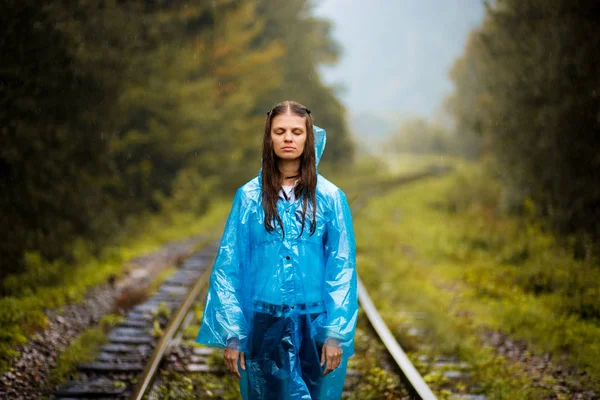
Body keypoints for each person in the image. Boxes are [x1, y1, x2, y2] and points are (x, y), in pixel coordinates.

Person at [195, 100, 358, 399]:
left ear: (308, 138)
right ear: (269, 137)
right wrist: (234, 333)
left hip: (314, 324)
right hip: (263, 323)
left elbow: (341, 268)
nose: (288, 138)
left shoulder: (331, 198)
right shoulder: (248, 197)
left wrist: (335, 333)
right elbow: (230, 267)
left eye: (296, 131)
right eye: (280, 131)